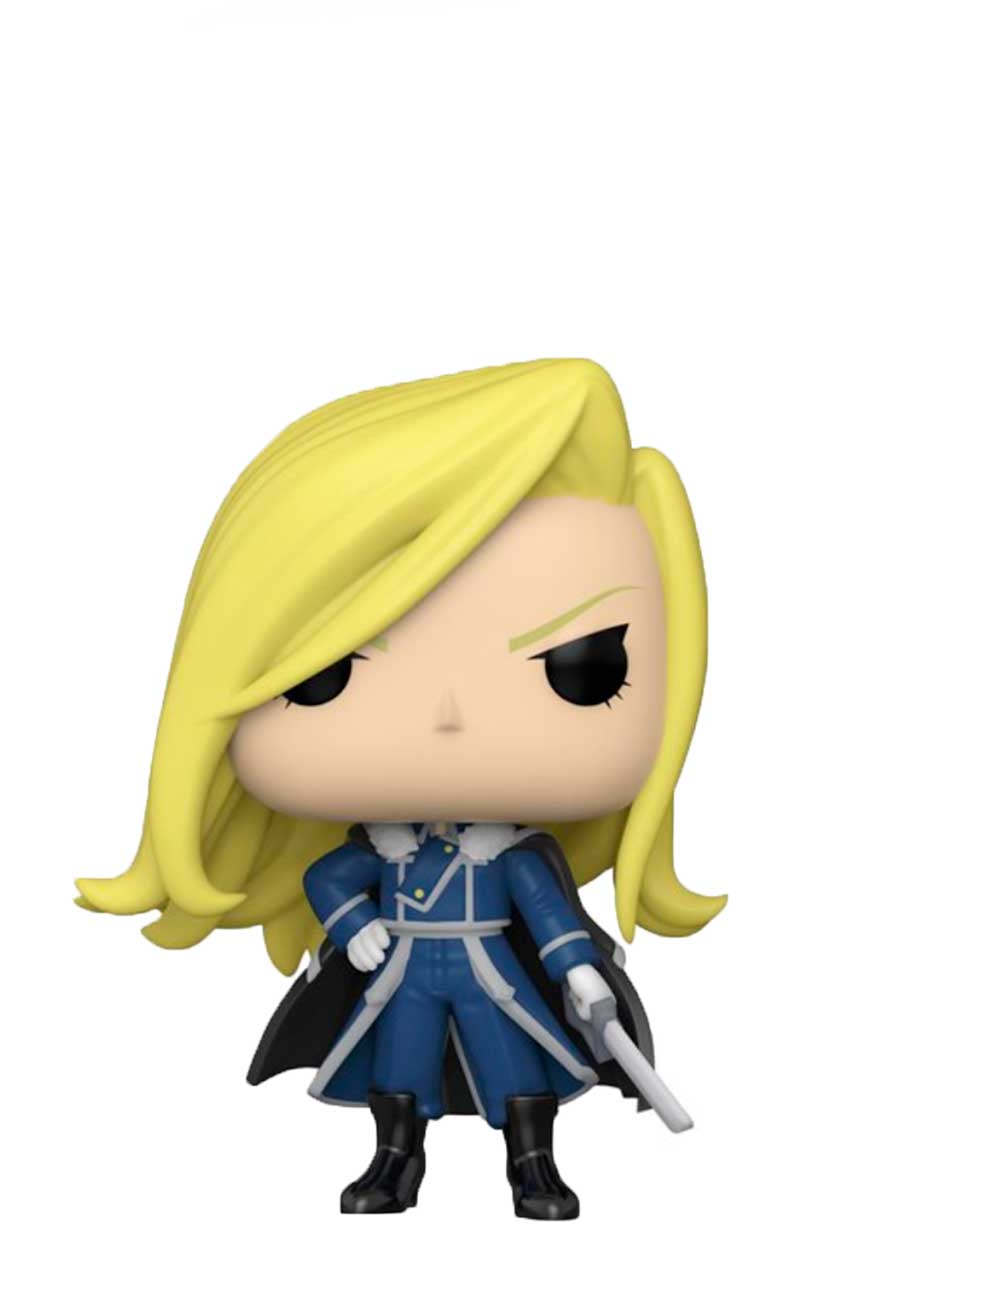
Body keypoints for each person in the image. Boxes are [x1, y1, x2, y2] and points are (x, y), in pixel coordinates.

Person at [77, 358, 725, 1219]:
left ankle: (532, 1163)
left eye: (581, 669)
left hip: (493, 970)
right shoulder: (380, 849)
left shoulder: (510, 855)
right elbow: (328, 878)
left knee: (515, 1057)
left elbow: (548, 912)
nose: (449, 716)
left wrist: (580, 971)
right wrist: (354, 927)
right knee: (399, 1063)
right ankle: (393, 1160)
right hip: (403, 970)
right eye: (323, 676)